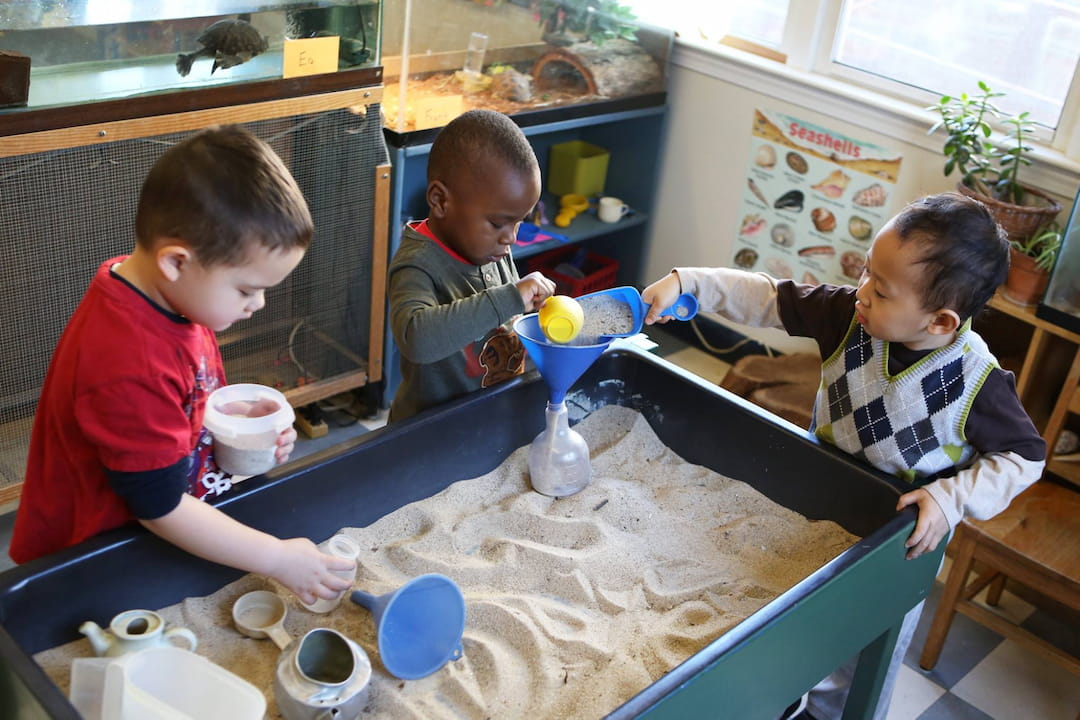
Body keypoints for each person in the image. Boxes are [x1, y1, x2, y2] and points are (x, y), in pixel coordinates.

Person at [641, 192, 1046, 720]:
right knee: (797, 626)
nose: (862, 293)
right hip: (818, 503)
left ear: (941, 322)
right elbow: (768, 298)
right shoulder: (851, 318)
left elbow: (1025, 457)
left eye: (880, 289)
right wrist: (689, 283)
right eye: (867, 276)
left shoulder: (977, 383)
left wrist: (952, 497)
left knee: (863, 657)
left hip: (898, 544)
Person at [10, 125, 354, 607]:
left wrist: (235, 437)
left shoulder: (166, 293)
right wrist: (278, 559)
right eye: (245, 289)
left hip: (154, 523)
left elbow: (181, 403)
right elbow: (159, 508)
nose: (257, 305)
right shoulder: (128, 360)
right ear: (176, 261)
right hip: (94, 560)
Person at [387, 109, 555, 422]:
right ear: (440, 201)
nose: (511, 239)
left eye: (519, 222)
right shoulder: (417, 264)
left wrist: (539, 313)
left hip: (491, 413)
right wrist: (512, 297)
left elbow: (503, 321)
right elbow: (417, 340)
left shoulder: (490, 248)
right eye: (498, 223)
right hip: (432, 432)